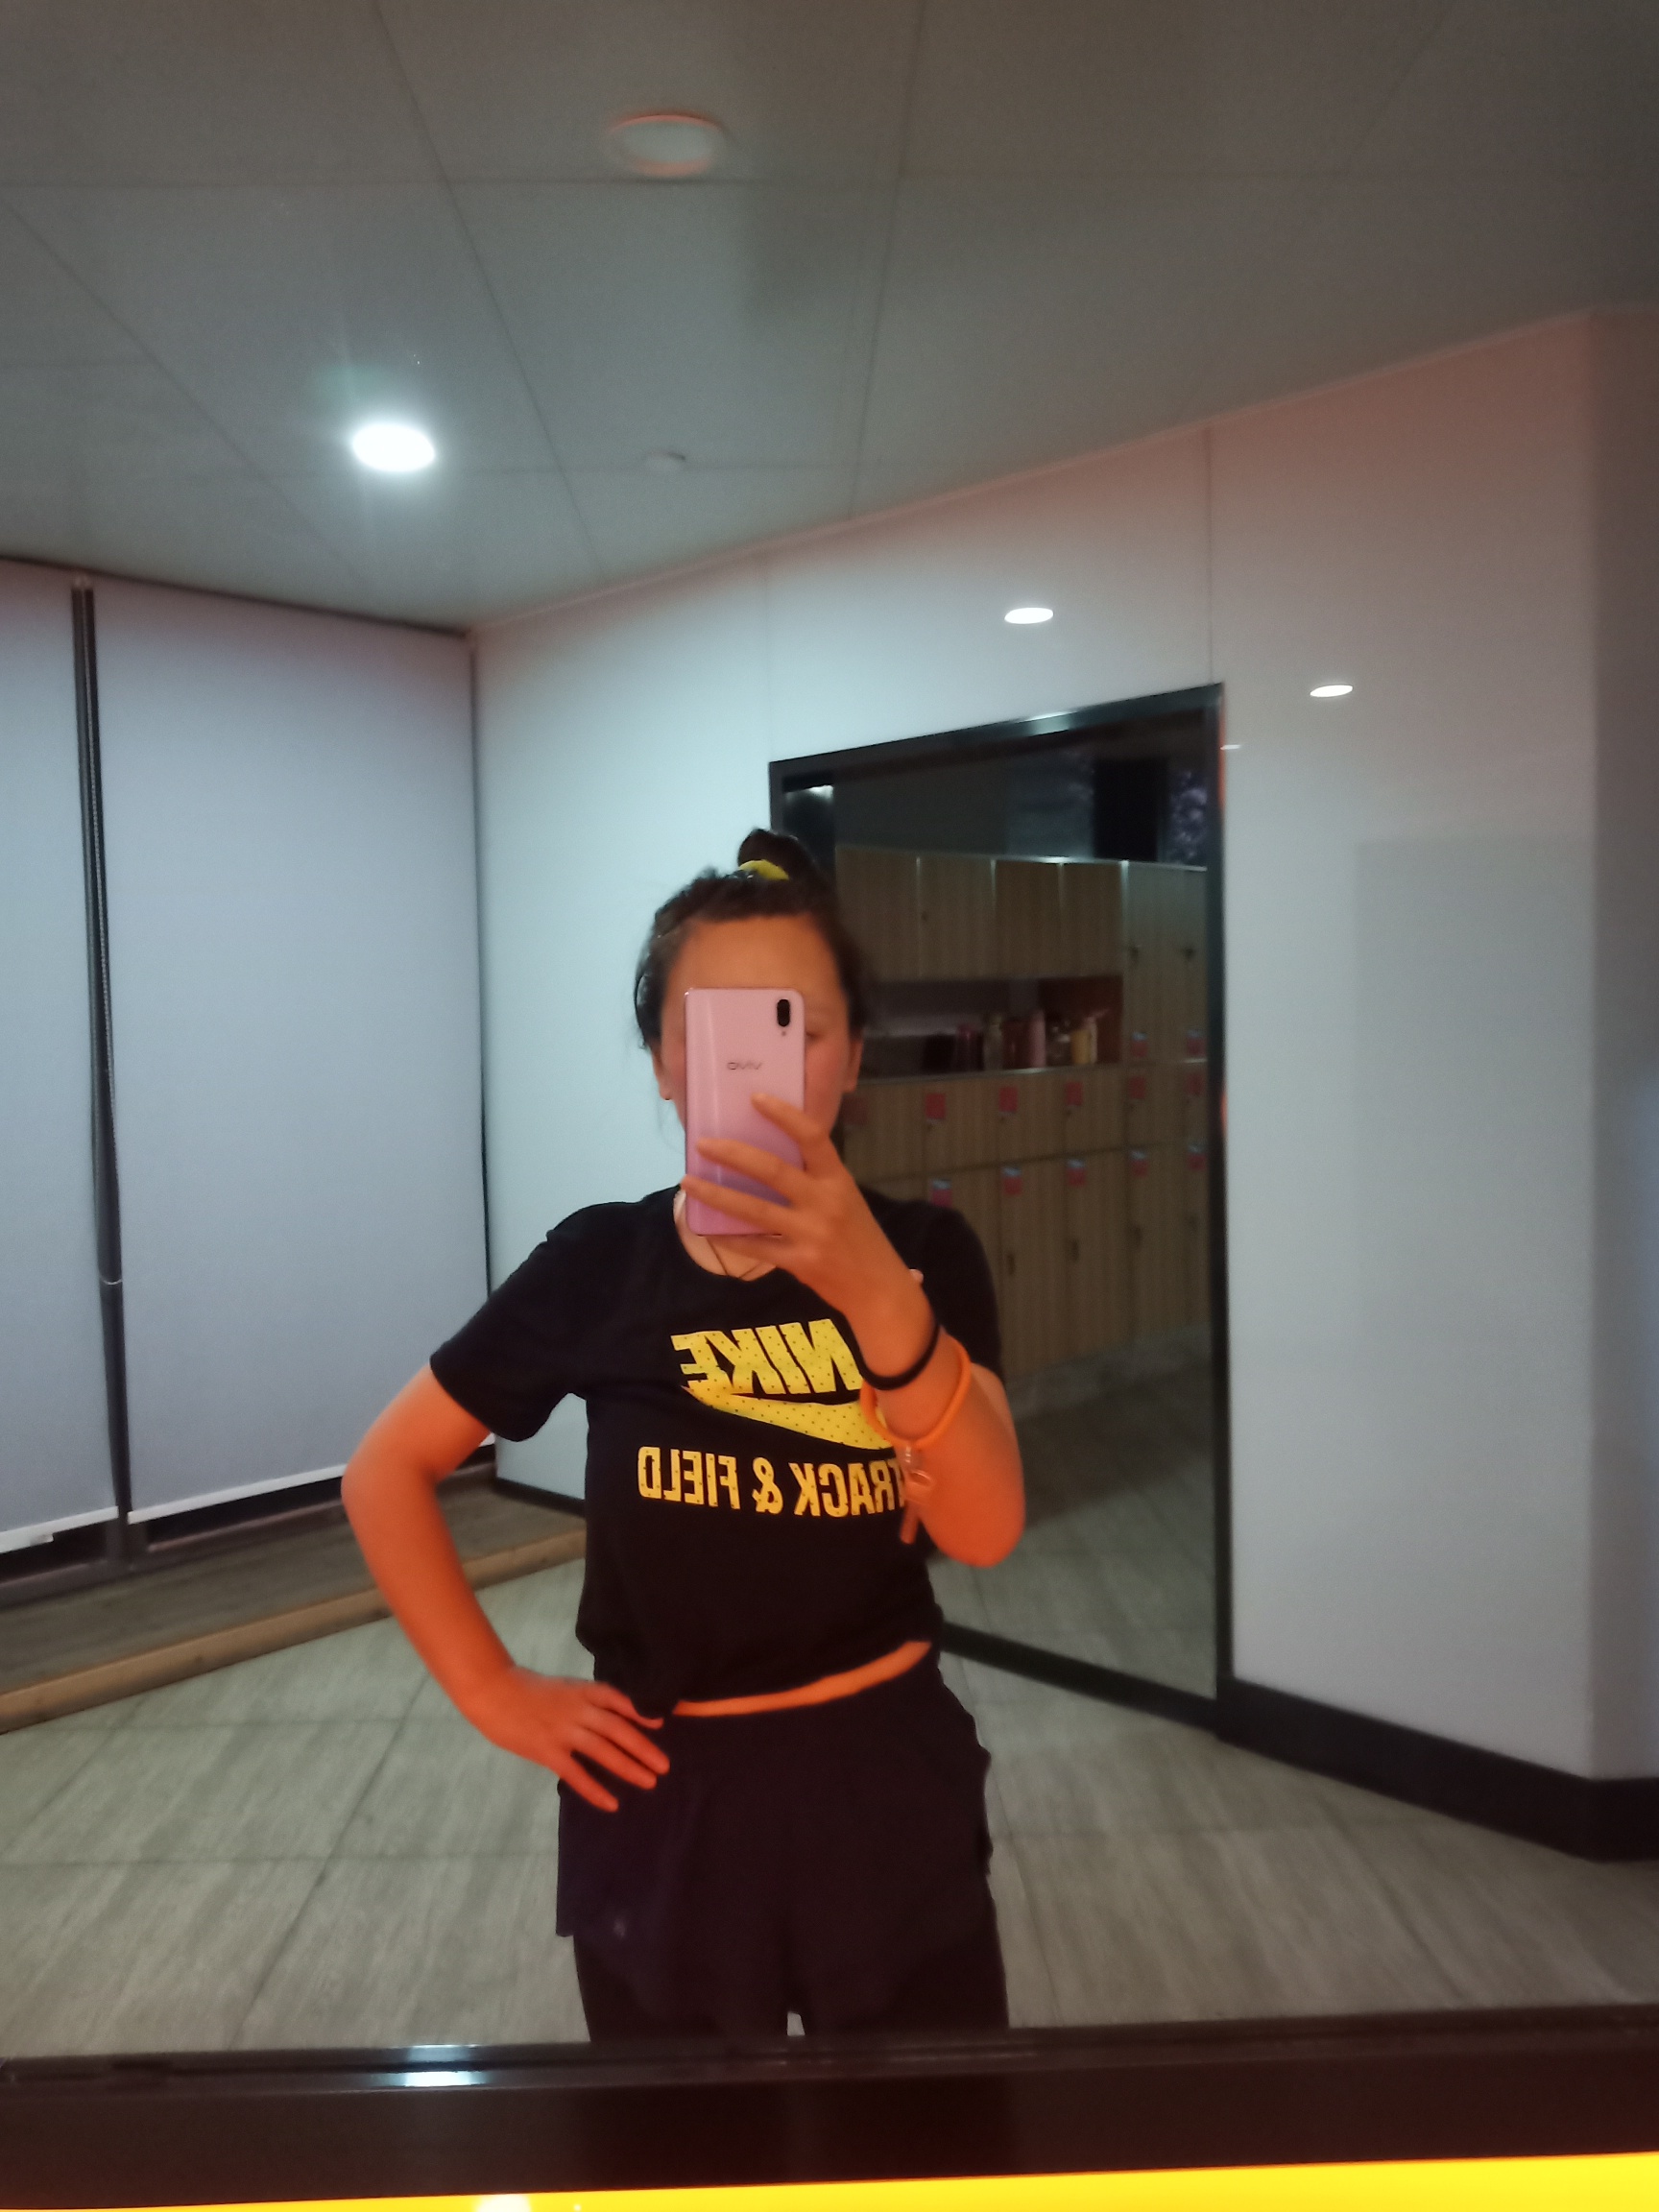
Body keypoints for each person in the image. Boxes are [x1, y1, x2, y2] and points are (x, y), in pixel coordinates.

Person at [342, 829, 1025, 2039]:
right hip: (663, 1794)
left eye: (799, 1026)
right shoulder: (600, 1264)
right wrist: (492, 1689)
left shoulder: (926, 1255)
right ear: (666, 1061)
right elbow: (386, 1470)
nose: (765, 1067)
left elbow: (983, 1529)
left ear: (852, 1057)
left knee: (927, 2128)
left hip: (882, 1775)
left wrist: (878, 1298)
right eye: (719, 1032)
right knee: (679, 2134)